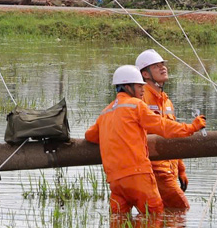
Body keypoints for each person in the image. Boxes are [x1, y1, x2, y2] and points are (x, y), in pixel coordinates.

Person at [85, 65, 205, 216]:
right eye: (139, 86)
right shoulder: (136, 105)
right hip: (138, 176)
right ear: (127, 87)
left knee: (119, 223)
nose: (143, 89)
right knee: (154, 217)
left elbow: (90, 135)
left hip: (115, 181)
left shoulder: (105, 112)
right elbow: (163, 126)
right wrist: (191, 127)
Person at [135, 49, 189, 210]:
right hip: (155, 169)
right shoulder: (141, 99)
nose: (162, 68)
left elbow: (174, 135)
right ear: (145, 74)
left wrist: (181, 169)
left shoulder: (167, 102)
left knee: (160, 213)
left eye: (162, 64)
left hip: (170, 168)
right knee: (181, 209)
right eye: (156, 66)